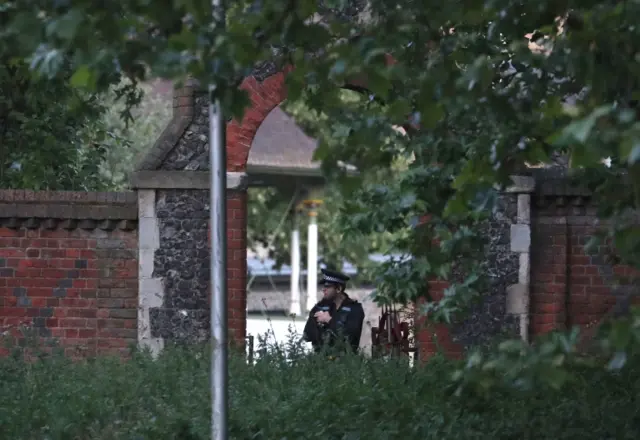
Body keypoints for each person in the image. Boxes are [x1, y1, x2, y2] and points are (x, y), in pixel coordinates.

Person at [302, 268, 365, 354]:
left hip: (346, 362)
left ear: (338, 288)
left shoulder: (355, 309)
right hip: (320, 361)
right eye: (323, 286)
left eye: (327, 286)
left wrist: (329, 320)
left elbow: (351, 337)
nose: (324, 289)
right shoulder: (319, 307)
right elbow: (307, 336)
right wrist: (318, 325)